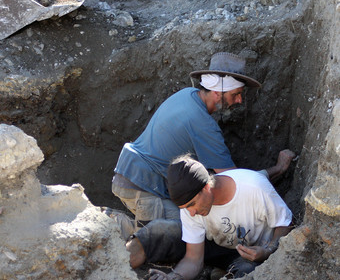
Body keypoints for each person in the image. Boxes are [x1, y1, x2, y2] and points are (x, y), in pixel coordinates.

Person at [111, 52, 295, 268]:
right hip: (142, 186)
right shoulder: (203, 124)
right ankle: (115, 226)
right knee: (181, 232)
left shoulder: (187, 95)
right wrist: (278, 169)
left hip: (129, 174)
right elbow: (233, 179)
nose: (239, 100)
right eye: (236, 94)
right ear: (218, 93)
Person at [148, 154, 293, 280]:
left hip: (256, 251)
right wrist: (172, 279)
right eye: (185, 208)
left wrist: (267, 251)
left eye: (192, 204)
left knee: (247, 273)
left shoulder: (254, 188)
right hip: (222, 248)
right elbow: (193, 259)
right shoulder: (189, 208)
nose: (191, 213)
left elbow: (286, 223)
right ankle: (219, 273)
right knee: (159, 232)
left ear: (206, 187)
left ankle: (223, 276)